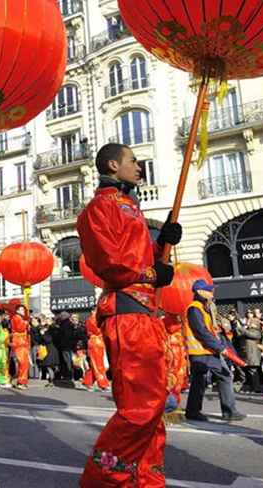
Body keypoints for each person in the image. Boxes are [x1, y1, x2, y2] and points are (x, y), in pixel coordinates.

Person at [76, 143, 180, 487]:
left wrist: (162, 243)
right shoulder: (99, 208)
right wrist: (152, 274)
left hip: (145, 312)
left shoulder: (130, 206)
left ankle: (146, 478)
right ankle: (102, 479)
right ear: (111, 164)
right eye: (133, 161)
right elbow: (110, 262)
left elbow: (141, 258)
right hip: (128, 313)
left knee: (152, 407)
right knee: (142, 406)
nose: (139, 168)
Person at [184, 280, 246, 422]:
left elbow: (208, 331)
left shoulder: (203, 308)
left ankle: (193, 411)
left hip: (206, 351)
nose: (212, 293)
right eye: (209, 290)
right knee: (223, 376)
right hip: (202, 352)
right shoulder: (194, 308)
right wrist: (220, 348)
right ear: (200, 292)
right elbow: (201, 332)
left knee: (201, 381)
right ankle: (228, 411)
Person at [237, 311, 263, 393]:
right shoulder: (247, 330)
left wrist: (243, 329)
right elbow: (239, 335)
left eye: (250, 321)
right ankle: (251, 387)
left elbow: (252, 335)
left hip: (253, 355)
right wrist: (243, 328)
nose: (249, 322)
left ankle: (257, 388)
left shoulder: (257, 331)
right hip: (247, 354)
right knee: (248, 371)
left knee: (253, 371)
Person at [84, 313, 109, 391]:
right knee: (99, 364)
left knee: (95, 364)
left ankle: (88, 382)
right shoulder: (93, 319)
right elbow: (98, 330)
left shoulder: (94, 319)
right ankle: (103, 384)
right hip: (96, 342)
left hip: (97, 341)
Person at [9, 303, 31, 390]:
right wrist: (26, 323)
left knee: (25, 363)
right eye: (21, 310)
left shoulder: (19, 318)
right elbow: (20, 328)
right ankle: (20, 382)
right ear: (17, 310)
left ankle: (22, 381)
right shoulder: (16, 317)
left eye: (23, 310)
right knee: (23, 362)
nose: (23, 311)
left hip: (22, 341)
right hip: (19, 342)